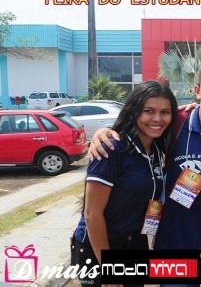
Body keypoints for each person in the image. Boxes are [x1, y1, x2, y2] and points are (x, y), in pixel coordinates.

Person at [88, 60, 201, 286]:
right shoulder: (175, 124)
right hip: (174, 242)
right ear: (197, 91)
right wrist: (104, 133)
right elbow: (138, 130)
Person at [70, 80, 178, 286]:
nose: (157, 118)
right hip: (101, 246)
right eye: (148, 111)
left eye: (165, 112)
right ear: (133, 112)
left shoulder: (154, 150)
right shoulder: (111, 147)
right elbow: (92, 213)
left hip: (135, 242)